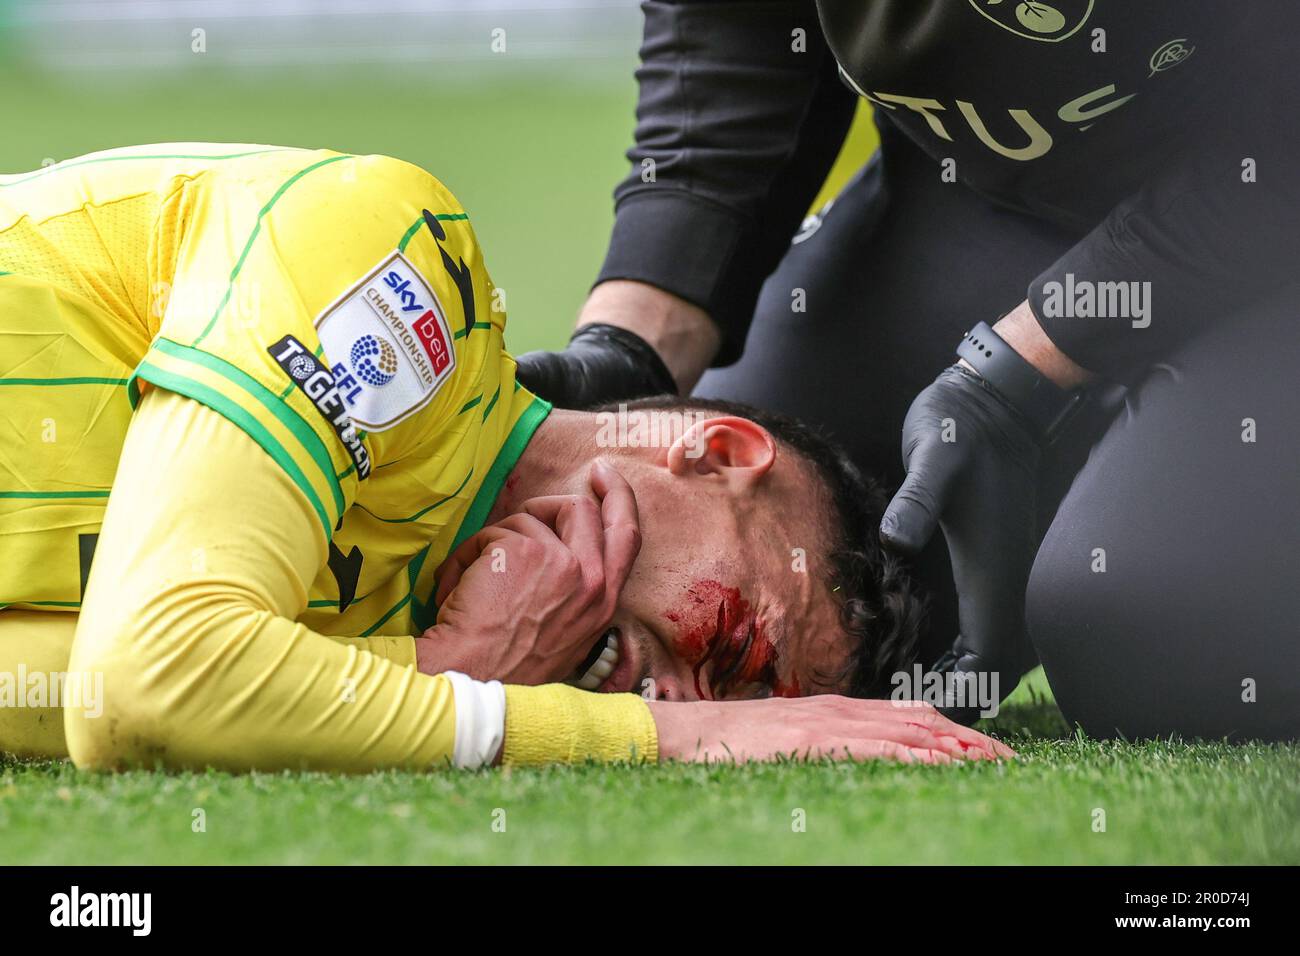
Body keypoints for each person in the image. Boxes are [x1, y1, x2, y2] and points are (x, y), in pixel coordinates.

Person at [0, 143, 1012, 769]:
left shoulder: (440, 600)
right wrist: (633, 737)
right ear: (715, 450)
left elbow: (71, 689)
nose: (679, 701)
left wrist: (435, 677)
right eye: (731, 646)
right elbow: (149, 679)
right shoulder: (401, 278)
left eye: (727, 713)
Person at [516, 1, 1300, 739]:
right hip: (996, 192)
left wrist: (1023, 368)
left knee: (1140, 626)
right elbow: (733, 43)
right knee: (801, 565)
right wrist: (632, 347)